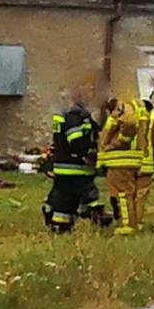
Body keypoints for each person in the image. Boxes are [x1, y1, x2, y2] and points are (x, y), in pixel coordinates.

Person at [44, 99, 99, 232]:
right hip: (75, 167)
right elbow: (76, 141)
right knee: (81, 195)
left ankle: (60, 225)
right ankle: (93, 213)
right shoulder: (74, 116)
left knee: (66, 201)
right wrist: (87, 154)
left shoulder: (64, 114)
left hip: (65, 167)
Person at [95, 96, 143, 235]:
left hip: (120, 159)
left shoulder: (124, 104)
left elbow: (129, 124)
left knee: (122, 194)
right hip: (120, 160)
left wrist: (115, 145)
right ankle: (128, 222)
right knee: (123, 193)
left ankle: (127, 224)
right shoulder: (128, 104)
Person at [135, 97, 154, 230]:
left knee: (128, 193)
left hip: (128, 162)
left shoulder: (129, 116)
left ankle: (126, 220)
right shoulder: (153, 118)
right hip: (146, 162)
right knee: (141, 194)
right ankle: (137, 221)